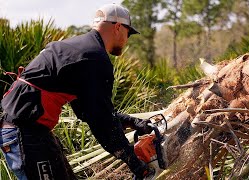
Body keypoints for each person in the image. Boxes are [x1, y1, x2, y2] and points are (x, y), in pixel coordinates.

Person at [0, 3, 154, 180]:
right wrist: (136, 164)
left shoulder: (78, 49)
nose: (127, 40)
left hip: (31, 132)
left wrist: (133, 122)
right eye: (128, 33)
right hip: (24, 134)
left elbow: (89, 112)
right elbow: (103, 124)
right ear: (118, 27)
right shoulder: (95, 59)